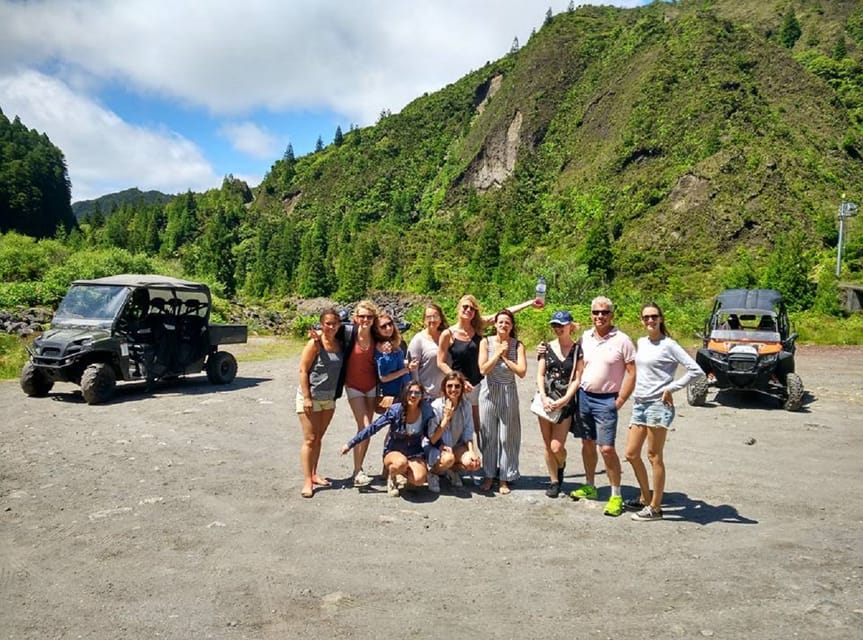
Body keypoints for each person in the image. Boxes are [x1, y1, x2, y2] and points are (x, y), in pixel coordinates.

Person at [623, 303, 703, 521]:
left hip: (658, 405)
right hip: (640, 403)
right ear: (642, 320)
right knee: (631, 453)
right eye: (646, 317)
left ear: (660, 319)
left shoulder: (669, 345)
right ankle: (644, 496)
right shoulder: (641, 342)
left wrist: (672, 388)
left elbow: (696, 370)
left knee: (653, 456)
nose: (650, 321)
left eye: (654, 317)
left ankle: (656, 508)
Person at [569, 296, 636, 517]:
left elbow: (632, 373)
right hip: (584, 397)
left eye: (604, 312)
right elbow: (575, 362)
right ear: (591, 314)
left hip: (607, 400)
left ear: (611, 315)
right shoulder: (585, 338)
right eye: (596, 312)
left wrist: (619, 401)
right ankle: (590, 485)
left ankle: (616, 494)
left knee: (606, 448)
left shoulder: (623, 340)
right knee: (587, 443)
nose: (600, 316)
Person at [437, 295, 538, 435]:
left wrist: (529, 303)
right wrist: (459, 380)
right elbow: (440, 362)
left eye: (472, 308)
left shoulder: (478, 327)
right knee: (455, 424)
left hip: (479, 385)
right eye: (465, 307)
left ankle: (479, 456)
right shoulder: (448, 334)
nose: (468, 310)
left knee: (480, 427)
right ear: (458, 308)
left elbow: (504, 314)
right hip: (458, 386)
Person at [340, 381, 433, 497]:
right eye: (410, 392)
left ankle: (406, 476)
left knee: (419, 480)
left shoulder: (426, 411)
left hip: (415, 453)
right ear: (405, 394)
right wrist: (350, 444)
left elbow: (433, 433)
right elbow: (373, 428)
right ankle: (392, 477)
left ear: (422, 396)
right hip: (394, 451)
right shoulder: (395, 410)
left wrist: (441, 448)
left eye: (417, 393)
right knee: (400, 463)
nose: (413, 396)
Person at [477, 309, 527, 494]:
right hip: (488, 391)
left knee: (508, 436)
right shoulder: (485, 342)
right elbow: (483, 369)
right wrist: (497, 353)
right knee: (488, 434)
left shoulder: (518, 345)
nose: (503, 325)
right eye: (500, 322)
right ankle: (489, 475)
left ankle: (505, 477)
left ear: (511, 326)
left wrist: (506, 356)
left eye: (507, 322)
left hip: (508, 392)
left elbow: (522, 372)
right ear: (495, 325)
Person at [297, 308, 344, 498]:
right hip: (311, 397)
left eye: (334, 323)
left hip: (329, 399)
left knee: (318, 438)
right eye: (327, 323)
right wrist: (307, 397)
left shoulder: (341, 344)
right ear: (322, 324)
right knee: (309, 439)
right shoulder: (314, 344)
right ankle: (307, 480)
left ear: (339, 324)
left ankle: (314, 473)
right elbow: (303, 370)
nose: (331, 327)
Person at [536, 310, 583, 498]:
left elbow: (577, 378)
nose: (558, 329)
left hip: (564, 402)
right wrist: (543, 396)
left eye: (561, 325)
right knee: (547, 445)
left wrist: (565, 399)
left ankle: (561, 463)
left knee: (557, 446)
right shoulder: (546, 348)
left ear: (570, 326)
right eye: (555, 325)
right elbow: (540, 374)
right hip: (546, 401)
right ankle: (554, 480)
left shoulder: (578, 349)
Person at [339, 300, 381, 488]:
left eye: (369, 317)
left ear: (374, 319)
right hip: (354, 386)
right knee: (364, 426)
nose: (365, 320)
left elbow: (394, 341)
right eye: (361, 316)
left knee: (368, 429)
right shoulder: (348, 334)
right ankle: (357, 471)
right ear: (355, 318)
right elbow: (328, 336)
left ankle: (359, 468)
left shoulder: (377, 337)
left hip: (372, 386)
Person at [424, 371, 481, 493]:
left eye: (457, 386)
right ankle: (433, 473)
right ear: (444, 388)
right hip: (437, 447)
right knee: (448, 459)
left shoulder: (465, 405)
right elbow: (432, 438)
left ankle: (451, 471)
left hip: (455, 445)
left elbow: (468, 431)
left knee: (473, 463)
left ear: (461, 388)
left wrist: (472, 452)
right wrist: (446, 418)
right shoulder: (436, 406)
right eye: (449, 386)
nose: (453, 389)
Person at [373, 310, 418, 401]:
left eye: (390, 324)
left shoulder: (394, 342)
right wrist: (406, 370)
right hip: (393, 393)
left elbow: (398, 363)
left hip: (406, 389)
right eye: (383, 326)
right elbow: (383, 378)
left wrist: (408, 364)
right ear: (377, 330)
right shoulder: (381, 348)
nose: (388, 328)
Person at [407, 303, 448, 398]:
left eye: (435, 316)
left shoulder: (447, 336)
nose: (432, 320)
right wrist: (418, 393)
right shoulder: (418, 340)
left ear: (441, 319)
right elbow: (413, 371)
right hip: (427, 395)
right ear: (424, 320)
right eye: (428, 317)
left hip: (447, 393)